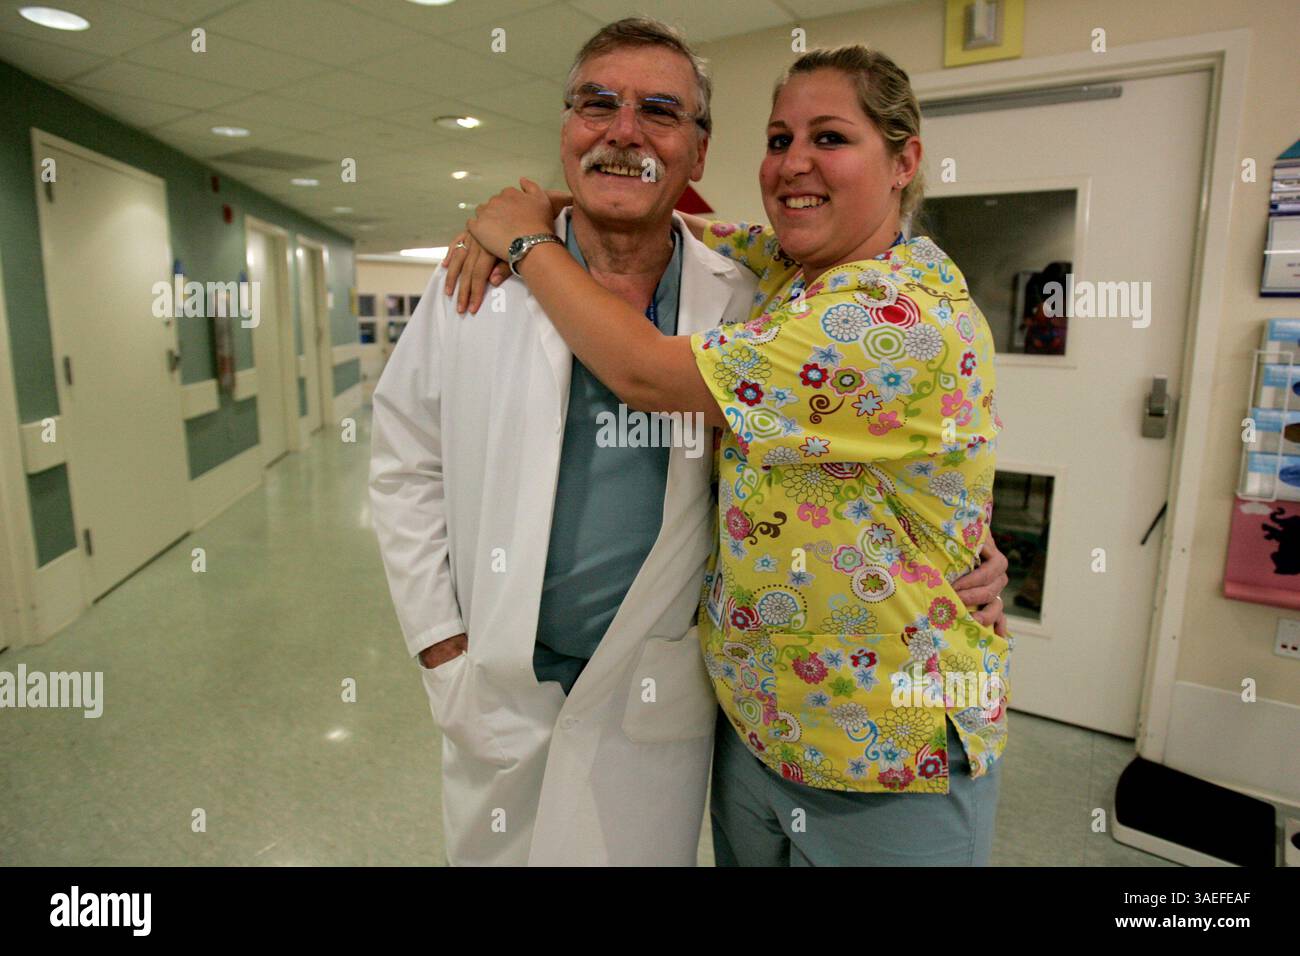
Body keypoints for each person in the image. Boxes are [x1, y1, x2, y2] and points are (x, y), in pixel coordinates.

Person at [452, 43, 1012, 865]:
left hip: (892, 754)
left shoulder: (893, 316)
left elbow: (645, 372)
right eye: (780, 139)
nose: (794, 164)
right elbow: (659, 219)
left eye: (831, 138)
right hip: (756, 731)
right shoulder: (794, 265)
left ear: (904, 161)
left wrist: (526, 245)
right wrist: (536, 210)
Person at [369, 18, 758, 866]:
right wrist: (440, 642)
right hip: (503, 677)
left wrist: (957, 555)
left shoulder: (745, 296)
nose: (623, 130)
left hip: (652, 684)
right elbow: (404, 460)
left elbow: (840, 436)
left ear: (697, 151)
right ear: (566, 129)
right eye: (597, 104)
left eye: (660, 110)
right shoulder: (476, 280)